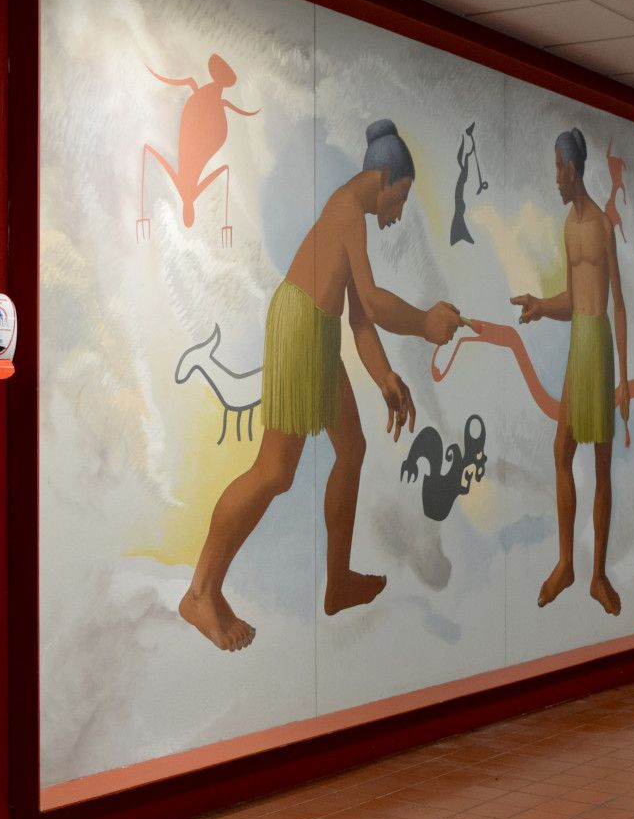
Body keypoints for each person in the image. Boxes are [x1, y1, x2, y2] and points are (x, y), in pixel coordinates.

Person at [180, 119, 462, 651]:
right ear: (384, 179)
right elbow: (374, 301)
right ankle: (200, 593)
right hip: (300, 329)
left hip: (317, 330)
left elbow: (360, 319)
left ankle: (338, 583)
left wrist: (384, 376)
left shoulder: (350, 213)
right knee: (273, 472)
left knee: (351, 448)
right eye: (401, 197)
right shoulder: (348, 208)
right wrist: (426, 323)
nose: (398, 212)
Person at [512, 128, 629, 616]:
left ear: (573, 168)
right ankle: (567, 564)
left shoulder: (601, 226)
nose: (556, 178)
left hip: (597, 343)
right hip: (579, 341)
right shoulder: (568, 226)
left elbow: (616, 304)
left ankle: (598, 575)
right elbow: (573, 298)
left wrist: (624, 378)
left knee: (600, 462)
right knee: (562, 449)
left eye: (558, 168)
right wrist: (542, 306)